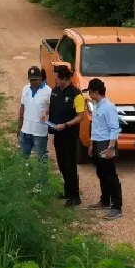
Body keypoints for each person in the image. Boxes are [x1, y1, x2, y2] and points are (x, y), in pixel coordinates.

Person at [48, 65, 86, 206]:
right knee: (61, 163)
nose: (55, 81)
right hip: (57, 134)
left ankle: (75, 196)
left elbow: (80, 117)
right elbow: (52, 106)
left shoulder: (76, 95)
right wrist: (46, 112)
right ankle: (67, 191)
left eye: (57, 78)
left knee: (70, 165)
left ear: (65, 79)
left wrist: (65, 125)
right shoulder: (55, 91)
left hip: (69, 135)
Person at [85, 78, 122, 220]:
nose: (89, 94)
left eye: (90, 92)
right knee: (101, 174)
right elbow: (96, 127)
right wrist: (92, 144)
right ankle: (105, 200)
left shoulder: (108, 107)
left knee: (111, 176)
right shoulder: (97, 106)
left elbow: (114, 129)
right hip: (98, 142)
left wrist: (110, 148)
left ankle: (117, 207)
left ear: (95, 92)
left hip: (106, 143)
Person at [17, 65, 52, 163]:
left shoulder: (48, 91)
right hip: (25, 131)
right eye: (31, 80)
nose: (33, 82)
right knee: (22, 159)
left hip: (40, 132)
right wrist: (19, 127)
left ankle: (42, 178)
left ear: (40, 78)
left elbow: (52, 108)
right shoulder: (25, 89)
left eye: (35, 80)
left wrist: (47, 112)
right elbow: (22, 107)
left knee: (42, 159)